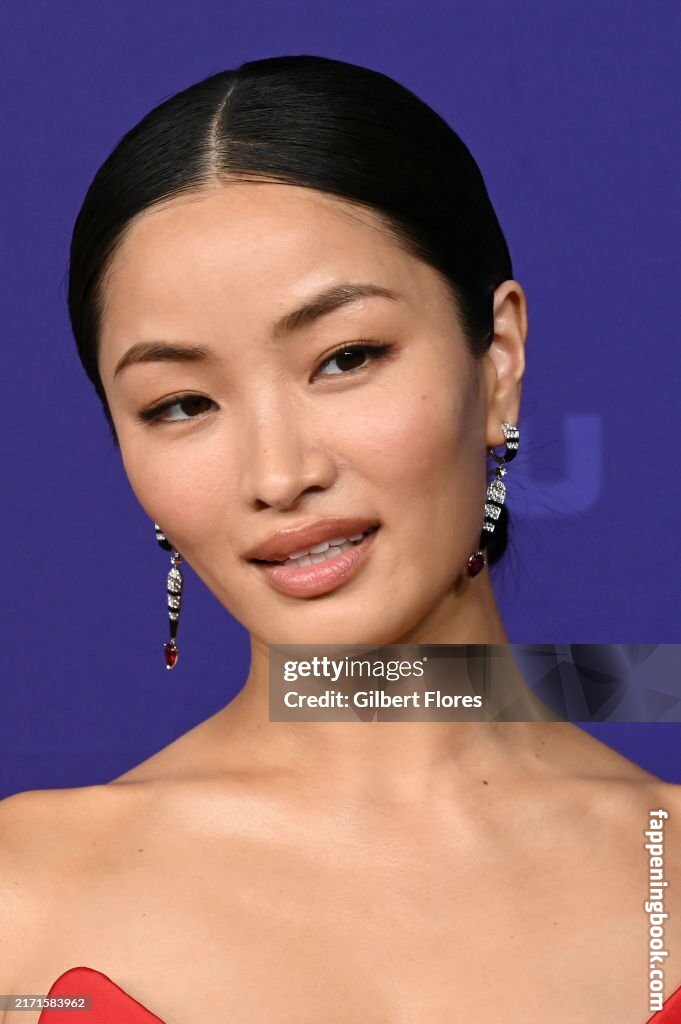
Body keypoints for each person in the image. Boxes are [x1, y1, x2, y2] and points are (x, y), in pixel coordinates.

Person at [1, 54, 679, 1024]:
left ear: (498, 361)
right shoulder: (21, 901)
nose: (279, 475)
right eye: (182, 404)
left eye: (345, 357)